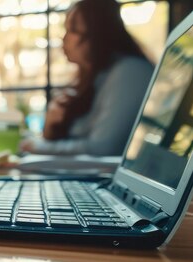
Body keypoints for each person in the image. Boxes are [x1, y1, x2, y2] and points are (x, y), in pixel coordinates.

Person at [20, 0, 154, 156]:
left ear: (97, 33)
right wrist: (49, 126)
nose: (64, 38)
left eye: (73, 30)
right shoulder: (92, 79)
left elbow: (103, 148)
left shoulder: (130, 71)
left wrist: (36, 146)